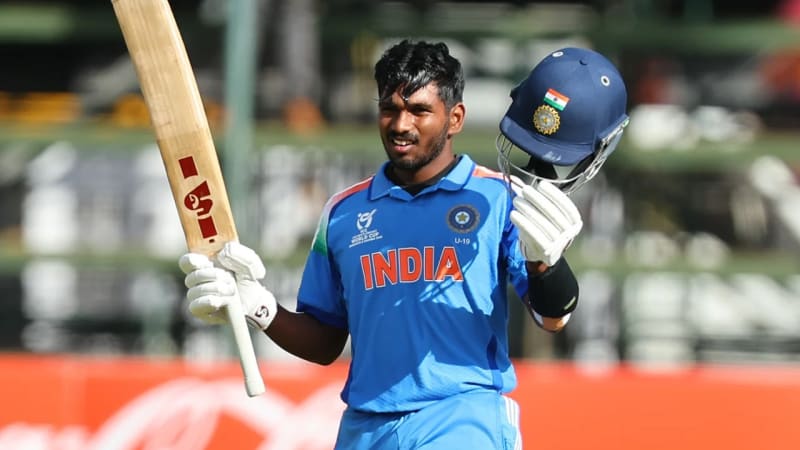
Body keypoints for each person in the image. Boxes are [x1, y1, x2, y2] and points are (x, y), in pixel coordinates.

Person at [179, 41, 629, 449]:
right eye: (389, 109)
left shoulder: (497, 199)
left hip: (461, 418)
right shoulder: (343, 213)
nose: (401, 125)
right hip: (366, 428)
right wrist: (258, 307)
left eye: (418, 110)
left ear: (455, 118)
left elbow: (553, 317)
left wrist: (546, 266)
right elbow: (325, 342)